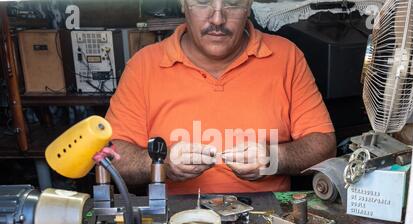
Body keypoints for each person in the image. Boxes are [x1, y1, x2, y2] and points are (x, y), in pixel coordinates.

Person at [105, 0, 336, 195]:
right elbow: (112, 157)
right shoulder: (144, 65)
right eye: (203, 2)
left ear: (248, 6)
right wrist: (159, 164)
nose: (217, 19)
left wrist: (275, 158)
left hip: (268, 220)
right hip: (174, 221)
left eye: (232, 3)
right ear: (183, 4)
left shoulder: (286, 57)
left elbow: (325, 146)